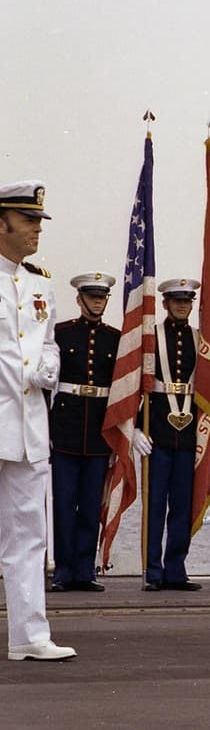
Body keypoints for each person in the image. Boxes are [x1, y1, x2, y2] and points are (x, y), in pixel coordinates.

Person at [0, 180, 75, 661]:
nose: (36, 230)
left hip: (29, 426)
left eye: (39, 222)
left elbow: (46, 344)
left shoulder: (40, 283)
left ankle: (30, 636)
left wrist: (48, 368)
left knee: (30, 535)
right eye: (28, 220)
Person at [49, 271, 119, 592]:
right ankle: (63, 570)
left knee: (91, 504)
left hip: (98, 431)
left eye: (101, 297)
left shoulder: (116, 339)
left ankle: (84, 570)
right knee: (64, 503)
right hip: (65, 428)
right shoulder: (61, 334)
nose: (96, 302)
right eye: (91, 297)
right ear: (79, 300)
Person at [136, 277, 203, 592]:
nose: (182, 305)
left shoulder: (199, 339)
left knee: (182, 504)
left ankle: (176, 569)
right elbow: (134, 386)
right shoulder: (150, 338)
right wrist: (135, 427)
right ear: (164, 303)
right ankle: (153, 570)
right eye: (177, 300)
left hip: (188, 435)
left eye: (187, 301)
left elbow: (209, 388)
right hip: (157, 432)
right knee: (154, 504)